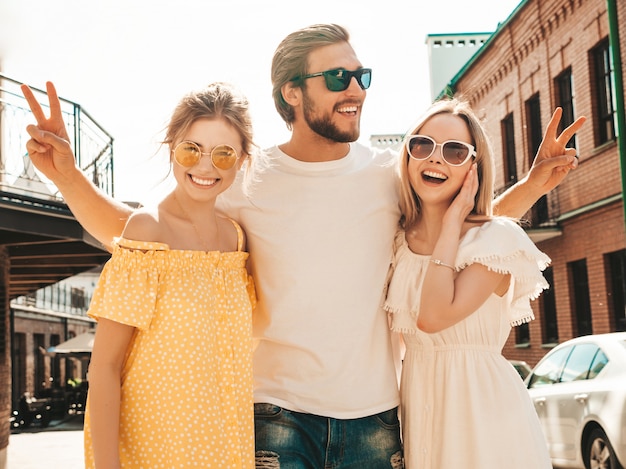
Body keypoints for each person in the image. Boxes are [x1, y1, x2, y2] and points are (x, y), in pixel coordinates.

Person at [21, 24, 584, 468]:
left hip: (376, 417)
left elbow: (460, 233)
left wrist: (531, 187)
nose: (357, 89)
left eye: (362, 75)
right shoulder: (245, 177)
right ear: (293, 92)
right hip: (275, 416)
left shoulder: (387, 175)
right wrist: (68, 178)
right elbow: (137, 235)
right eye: (338, 78)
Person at [23, 81, 258, 468]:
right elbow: (105, 368)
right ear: (171, 148)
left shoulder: (235, 238)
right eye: (191, 149)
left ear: (243, 159)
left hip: (226, 451)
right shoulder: (146, 231)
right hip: (155, 452)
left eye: (223, 154)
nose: (205, 165)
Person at [385, 98, 557, 468]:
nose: (435, 158)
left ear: (474, 168)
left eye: (454, 151)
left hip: (485, 419)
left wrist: (452, 222)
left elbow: (432, 316)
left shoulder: (497, 241)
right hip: (419, 414)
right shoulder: (398, 241)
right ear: (408, 154)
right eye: (423, 144)